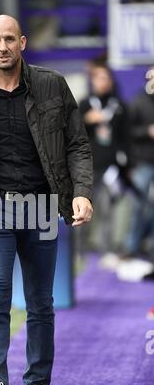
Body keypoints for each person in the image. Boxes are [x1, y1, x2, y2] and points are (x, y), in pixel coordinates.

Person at [0, 15, 93, 385]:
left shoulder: (51, 85)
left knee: (40, 303)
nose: (3, 46)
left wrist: (81, 193)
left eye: (9, 39)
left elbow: (77, 146)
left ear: (23, 43)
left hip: (43, 208)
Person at [79, 62, 127, 253]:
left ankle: (107, 249)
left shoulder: (118, 106)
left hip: (110, 167)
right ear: (92, 81)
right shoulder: (84, 105)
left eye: (105, 77)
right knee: (81, 210)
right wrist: (86, 120)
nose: (102, 81)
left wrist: (124, 163)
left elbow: (125, 137)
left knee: (108, 209)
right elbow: (72, 135)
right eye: (98, 77)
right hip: (88, 165)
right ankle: (79, 250)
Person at [124, 67, 154, 259]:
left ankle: (150, 247)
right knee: (138, 207)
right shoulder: (137, 101)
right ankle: (132, 246)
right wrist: (147, 131)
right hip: (142, 163)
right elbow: (127, 132)